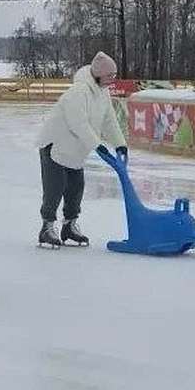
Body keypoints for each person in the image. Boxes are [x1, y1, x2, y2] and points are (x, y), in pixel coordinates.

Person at [36, 52, 127, 248]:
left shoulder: (103, 93)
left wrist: (120, 144)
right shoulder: (79, 92)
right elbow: (78, 123)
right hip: (55, 145)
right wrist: (98, 146)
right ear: (99, 75)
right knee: (55, 188)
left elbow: (109, 121)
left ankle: (69, 227)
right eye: (110, 75)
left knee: (76, 188)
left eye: (114, 74)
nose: (113, 79)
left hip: (75, 150)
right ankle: (47, 228)